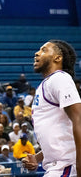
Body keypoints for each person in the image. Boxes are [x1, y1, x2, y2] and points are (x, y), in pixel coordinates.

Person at [22, 40, 81, 177]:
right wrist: (37, 158)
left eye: (44, 50)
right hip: (60, 166)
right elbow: (63, 135)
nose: (37, 53)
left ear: (58, 58)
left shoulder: (59, 78)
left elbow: (79, 120)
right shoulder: (48, 83)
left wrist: (79, 167)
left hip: (67, 166)